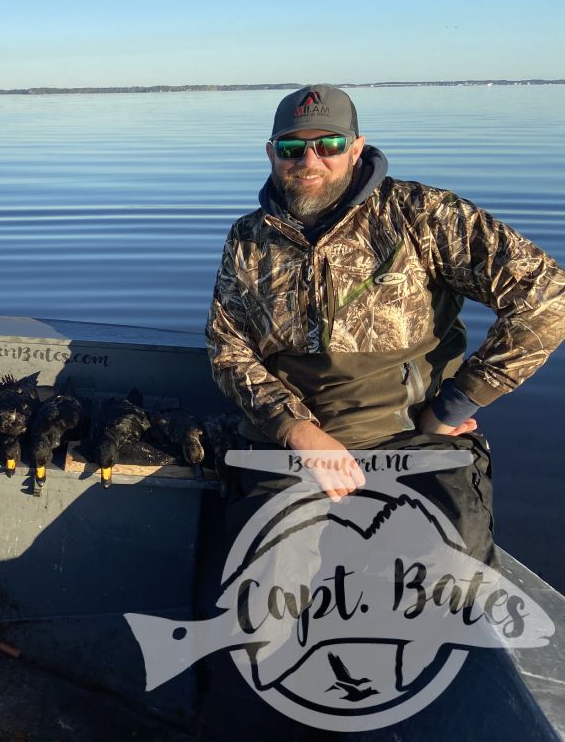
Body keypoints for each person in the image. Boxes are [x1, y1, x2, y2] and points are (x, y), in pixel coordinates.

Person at [206, 84, 565, 560]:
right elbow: (227, 348)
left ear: (356, 149)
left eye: (328, 145)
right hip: (292, 443)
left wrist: (454, 406)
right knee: (260, 607)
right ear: (272, 154)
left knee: (447, 588)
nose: (308, 161)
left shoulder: (422, 216)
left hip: (413, 436)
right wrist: (299, 431)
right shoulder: (248, 238)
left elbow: (546, 297)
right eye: (292, 148)